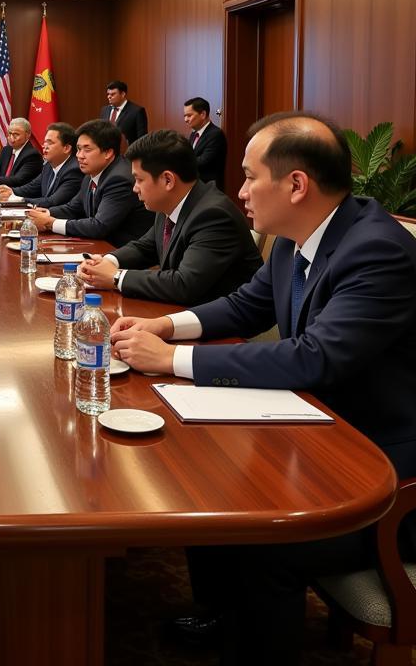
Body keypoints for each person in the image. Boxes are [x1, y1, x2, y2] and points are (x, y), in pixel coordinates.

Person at [110, 111, 416, 666]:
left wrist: (173, 360)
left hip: (385, 471)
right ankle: (222, 615)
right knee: (208, 486)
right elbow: (245, 305)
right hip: (319, 433)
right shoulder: (295, 238)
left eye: (250, 177)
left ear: (296, 184)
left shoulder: (377, 250)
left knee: (263, 541)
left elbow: (315, 356)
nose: (239, 190)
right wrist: (165, 326)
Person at [79, 129, 261, 304]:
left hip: (218, 327)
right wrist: (107, 261)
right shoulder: (171, 203)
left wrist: (115, 277)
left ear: (168, 180)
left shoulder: (213, 215)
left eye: (139, 179)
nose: (135, 188)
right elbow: (145, 248)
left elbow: (184, 284)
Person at [27, 119, 154, 246]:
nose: (79, 156)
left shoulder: (119, 179)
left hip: (122, 252)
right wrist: (43, 214)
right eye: (78, 149)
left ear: (108, 153)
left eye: (87, 150)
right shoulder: (91, 173)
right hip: (100, 247)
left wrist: (50, 223)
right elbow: (74, 208)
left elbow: (99, 226)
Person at [0, 122, 82, 209]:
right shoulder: (48, 166)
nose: (44, 146)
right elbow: (32, 187)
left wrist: (16, 199)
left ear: (66, 148)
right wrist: (11, 191)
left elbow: (53, 202)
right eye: (45, 142)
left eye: (50, 143)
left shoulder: (74, 171)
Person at [0, 117, 44, 190]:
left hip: (19, 196)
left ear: (28, 135)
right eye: (10, 133)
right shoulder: (7, 150)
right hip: (1, 193)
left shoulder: (32, 155)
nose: (11, 138)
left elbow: (18, 180)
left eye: (16, 134)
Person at [184, 96, 227, 189]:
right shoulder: (193, 134)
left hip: (209, 189)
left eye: (189, 115)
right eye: (185, 116)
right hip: (195, 187)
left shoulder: (215, 134)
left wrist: (180, 161)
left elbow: (204, 161)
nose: (186, 120)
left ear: (203, 114)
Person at [100, 81, 147, 146]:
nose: (109, 97)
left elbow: (142, 138)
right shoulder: (104, 110)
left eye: (113, 94)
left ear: (123, 94)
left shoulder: (137, 111)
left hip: (127, 152)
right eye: (108, 94)